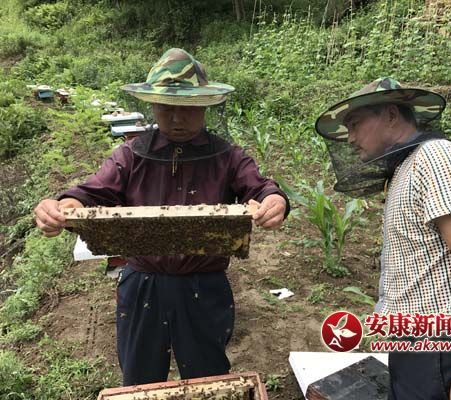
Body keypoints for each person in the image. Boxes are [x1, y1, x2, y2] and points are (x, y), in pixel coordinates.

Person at [33, 48, 289, 386]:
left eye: (188, 107)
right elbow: (90, 193)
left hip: (204, 285)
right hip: (142, 284)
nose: (177, 118)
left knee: (208, 379)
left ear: (204, 105)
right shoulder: (130, 156)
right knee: (140, 379)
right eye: (167, 107)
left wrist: (274, 200)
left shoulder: (228, 157)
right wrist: (60, 206)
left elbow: (260, 187)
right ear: (152, 105)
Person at [315, 77, 451, 399]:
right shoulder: (407, 167)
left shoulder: (437, 158)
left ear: (391, 115)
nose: (351, 138)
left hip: (443, 347)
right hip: (418, 344)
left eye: (355, 124)